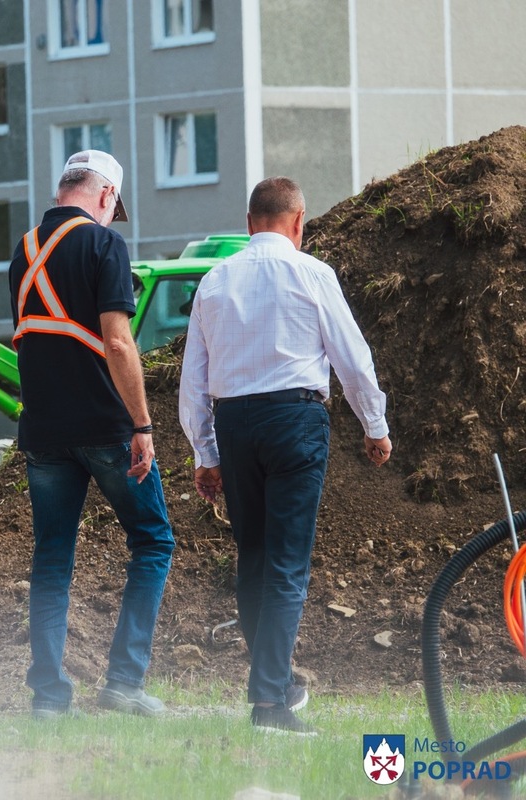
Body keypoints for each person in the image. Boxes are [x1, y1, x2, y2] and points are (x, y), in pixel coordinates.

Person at [178, 176, 392, 735]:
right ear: (299, 222)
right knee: (287, 561)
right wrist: (374, 423)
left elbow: (193, 375)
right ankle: (270, 701)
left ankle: (274, 683)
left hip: (235, 424)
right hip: (295, 419)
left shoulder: (215, 279)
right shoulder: (312, 272)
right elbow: (351, 354)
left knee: (254, 554)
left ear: (250, 224)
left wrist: (206, 451)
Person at [8, 149, 175, 719]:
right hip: (104, 426)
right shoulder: (106, 245)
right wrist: (142, 424)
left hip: (44, 431)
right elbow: (119, 342)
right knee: (153, 541)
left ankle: (49, 699)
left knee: (52, 559)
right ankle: (124, 685)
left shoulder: (23, 252)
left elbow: (32, 339)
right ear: (105, 194)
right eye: (113, 206)